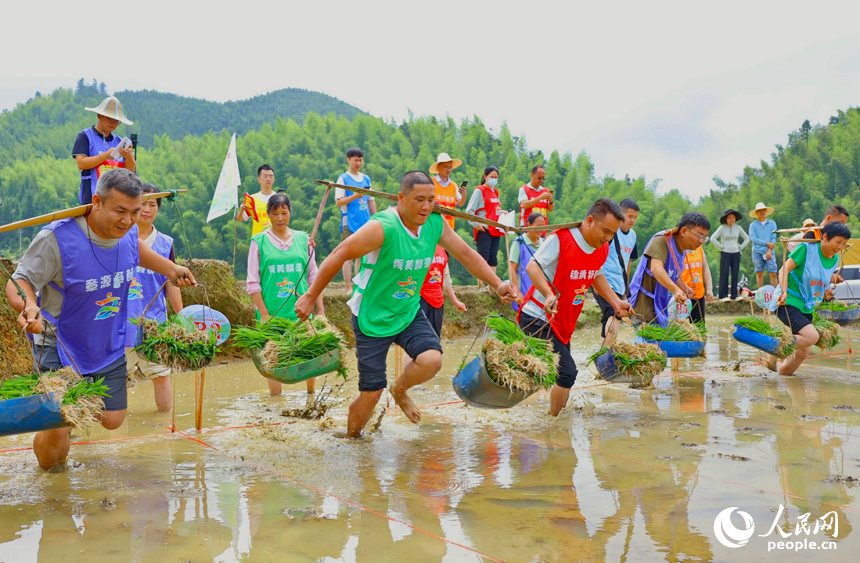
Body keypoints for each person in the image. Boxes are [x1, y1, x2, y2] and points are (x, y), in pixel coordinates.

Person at [294, 171, 516, 437]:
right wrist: (310, 296)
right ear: (401, 198)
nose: (426, 206)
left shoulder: (435, 223)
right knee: (371, 393)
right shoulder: (383, 227)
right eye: (419, 199)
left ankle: (399, 390)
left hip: (408, 311)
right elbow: (338, 254)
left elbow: (466, 254)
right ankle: (352, 441)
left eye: (431, 200)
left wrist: (498, 284)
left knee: (432, 360)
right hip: (372, 317)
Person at [6, 169, 196, 469]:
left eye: (135, 212)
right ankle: (53, 477)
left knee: (113, 418)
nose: (128, 220)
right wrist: (29, 305)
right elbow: (19, 281)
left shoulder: (128, 230)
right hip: (58, 343)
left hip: (106, 340)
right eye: (120, 211)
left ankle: (64, 420)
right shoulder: (57, 239)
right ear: (96, 201)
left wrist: (171, 269)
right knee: (60, 423)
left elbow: (136, 249)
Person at [519, 198, 632, 416]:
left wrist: (616, 302)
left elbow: (596, 273)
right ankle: (555, 424)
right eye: (605, 231)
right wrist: (549, 294)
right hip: (538, 316)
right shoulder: (561, 239)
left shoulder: (601, 248)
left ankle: (544, 416)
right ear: (589, 221)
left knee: (555, 373)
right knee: (567, 373)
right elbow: (533, 267)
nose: (608, 238)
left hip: (563, 321)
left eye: (612, 234)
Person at [246, 193, 324, 396]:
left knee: (309, 355)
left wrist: (321, 310)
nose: (280, 218)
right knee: (274, 360)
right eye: (275, 213)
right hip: (271, 313)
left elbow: (314, 277)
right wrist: (264, 314)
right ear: (268, 214)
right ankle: (275, 402)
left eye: (284, 213)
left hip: (301, 311)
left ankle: (311, 396)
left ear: (290, 213)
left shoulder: (304, 240)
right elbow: (253, 283)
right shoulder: (259, 241)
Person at [125, 183, 184, 412]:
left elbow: (172, 282)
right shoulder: (120, 238)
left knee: (160, 374)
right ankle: (118, 427)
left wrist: (181, 316)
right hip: (122, 321)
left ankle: (164, 423)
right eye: (142, 204)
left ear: (158, 208)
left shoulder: (165, 243)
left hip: (154, 322)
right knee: (118, 377)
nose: (147, 209)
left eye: (153, 204)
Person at [768, 222, 851, 375]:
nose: (840, 247)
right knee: (811, 336)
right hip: (788, 300)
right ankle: (773, 347)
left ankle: (783, 379)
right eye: (838, 242)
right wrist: (784, 292)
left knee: (803, 351)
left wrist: (827, 289)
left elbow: (820, 277)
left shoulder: (834, 259)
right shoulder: (806, 249)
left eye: (844, 244)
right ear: (825, 237)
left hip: (806, 306)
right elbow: (784, 270)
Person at [628, 212, 711, 326]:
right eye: (700, 236)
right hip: (644, 304)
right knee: (648, 336)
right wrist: (676, 290)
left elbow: (672, 274)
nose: (701, 241)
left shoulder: (682, 250)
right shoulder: (663, 239)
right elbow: (656, 268)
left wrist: (684, 287)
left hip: (660, 304)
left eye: (705, 238)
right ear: (684, 231)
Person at [73, 96, 136, 204]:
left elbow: (129, 172)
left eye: (116, 121)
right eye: (110, 119)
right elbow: (81, 163)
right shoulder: (85, 136)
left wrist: (129, 157)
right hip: (92, 200)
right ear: (99, 115)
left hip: (116, 202)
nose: (113, 123)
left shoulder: (120, 142)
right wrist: (106, 156)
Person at [595, 198, 639, 346]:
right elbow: (597, 252)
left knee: (611, 318)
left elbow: (628, 261)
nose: (632, 220)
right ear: (620, 213)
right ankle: (607, 354)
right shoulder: (611, 231)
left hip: (619, 284)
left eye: (635, 217)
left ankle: (603, 353)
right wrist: (595, 281)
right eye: (630, 216)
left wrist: (626, 287)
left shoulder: (633, 235)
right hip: (605, 280)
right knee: (613, 315)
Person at [335, 147, 377, 294]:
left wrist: (376, 218)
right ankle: (348, 287)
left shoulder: (366, 179)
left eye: (360, 160)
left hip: (365, 221)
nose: (358, 163)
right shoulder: (343, 178)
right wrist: (355, 195)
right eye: (355, 160)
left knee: (363, 256)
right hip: (350, 221)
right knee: (347, 255)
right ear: (348, 160)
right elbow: (339, 202)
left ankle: (360, 285)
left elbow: (370, 200)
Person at [466, 166, 505, 285]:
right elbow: (469, 211)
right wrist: (476, 224)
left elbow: (496, 210)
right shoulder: (479, 191)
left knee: (493, 259)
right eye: (491, 177)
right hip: (484, 229)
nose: (494, 179)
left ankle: (492, 286)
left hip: (495, 229)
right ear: (485, 177)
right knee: (483, 258)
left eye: (496, 177)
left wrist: (502, 212)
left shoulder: (495, 192)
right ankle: (481, 285)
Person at [710, 209, 749, 301]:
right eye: (729, 218)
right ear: (726, 219)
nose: (731, 219)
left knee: (735, 273)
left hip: (736, 253)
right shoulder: (722, 228)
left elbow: (747, 238)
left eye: (733, 217)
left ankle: (734, 295)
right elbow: (712, 238)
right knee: (724, 273)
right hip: (725, 252)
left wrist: (741, 247)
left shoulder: (738, 228)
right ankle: (722, 295)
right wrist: (720, 246)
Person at [509, 213, 546, 312]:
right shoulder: (519, 242)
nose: (541, 229)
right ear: (529, 225)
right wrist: (517, 292)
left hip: (541, 293)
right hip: (523, 291)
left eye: (543, 226)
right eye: (538, 226)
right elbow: (512, 269)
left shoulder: (544, 243)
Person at [429, 153, 467, 229]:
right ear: (439, 167)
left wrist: (464, 194)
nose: (448, 170)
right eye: (446, 167)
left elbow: (460, 203)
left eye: (450, 167)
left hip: (449, 227)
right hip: (434, 224)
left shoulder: (453, 185)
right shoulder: (431, 182)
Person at [236, 165, 276, 236]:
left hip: (274, 239)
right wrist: (241, 210)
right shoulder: (252, 199)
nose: (268, 179)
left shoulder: (278, 198)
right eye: (265, 176)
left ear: (273, 180)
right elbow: (239, 219)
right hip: (258, 239)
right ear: (259, 179)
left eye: (271, 176)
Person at [680, 245, 714, 324]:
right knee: (682, 325)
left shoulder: (699, 249)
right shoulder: (679, 250)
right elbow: (675, 273)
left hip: (698, 294)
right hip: (683, 295)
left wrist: (709, 289)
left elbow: (705, 268)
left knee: (699, 325)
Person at [748, 202, 778, 288]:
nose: (762, 212)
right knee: (759, 272)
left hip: (769, 251)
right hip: (757, 251)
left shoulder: (772, 223)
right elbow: (754, 239)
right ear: (757, 212)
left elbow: (774, 237)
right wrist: (766, 243)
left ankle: (775, 292)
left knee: (773, 272)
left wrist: (769, 249)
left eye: (763, 210)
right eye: (760, 211)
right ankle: (760, 291)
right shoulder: (753, 225)